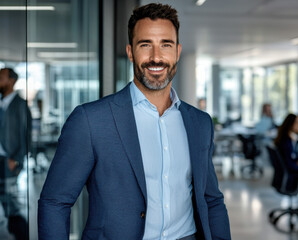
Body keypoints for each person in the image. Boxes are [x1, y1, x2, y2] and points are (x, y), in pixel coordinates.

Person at [38, 4, 231, 240]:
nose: (156, 57)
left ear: (178, 51)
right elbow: (55, 202)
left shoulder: (200, 123)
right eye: (145, 44)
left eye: (166, 45)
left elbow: (211, 199)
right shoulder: (90, 121)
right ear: (130, 52)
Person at [0, 68, 31, 240]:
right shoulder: (1, 102)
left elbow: (27, 136)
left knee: (11, 203)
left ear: (11, 81)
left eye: (1, 77)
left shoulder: (20, 105)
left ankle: (21, 235)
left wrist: (17, 160)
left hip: (9, 161)